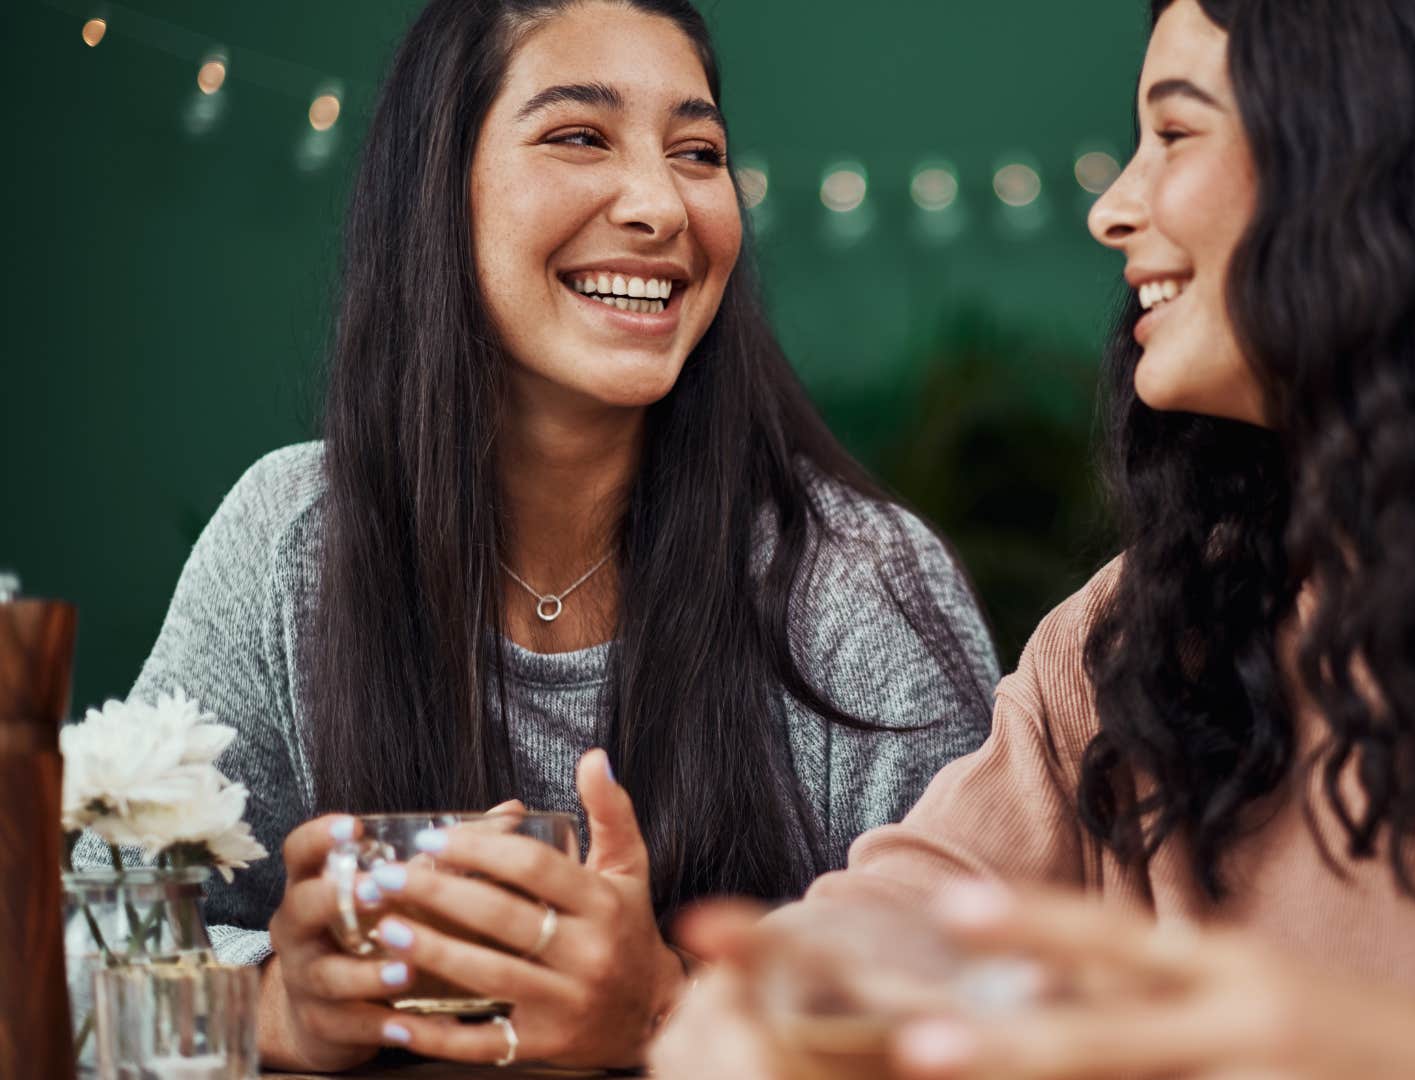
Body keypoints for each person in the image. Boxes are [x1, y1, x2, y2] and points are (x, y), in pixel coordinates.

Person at [655, 0, 1415, 1076]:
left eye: (1173, 133)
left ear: (1378, 159)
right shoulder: (1131, 637)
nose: (1115, 207)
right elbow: (882, 930)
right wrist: (763, 1010)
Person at [76, 0, 999, 1071]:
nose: (660, 204)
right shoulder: (297, 542)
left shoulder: (853, 583)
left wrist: (667, 1002)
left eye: (697, 152)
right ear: (440, 186)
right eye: (578, 136)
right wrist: (282, 1007)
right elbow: (71, 958)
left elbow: (981, 1013)